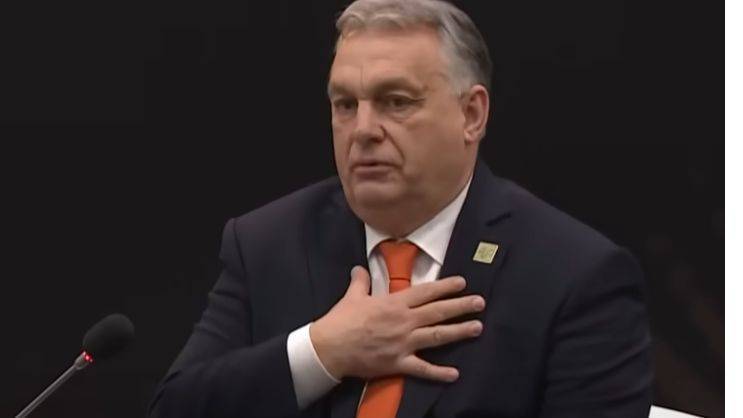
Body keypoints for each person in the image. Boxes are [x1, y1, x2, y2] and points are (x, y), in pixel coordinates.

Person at [149, 0, 653, 417]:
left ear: (472, 115)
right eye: (346, 105)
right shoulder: (267, 242)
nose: (364, 130)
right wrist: (322, 352)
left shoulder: (574, 277)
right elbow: (174, 408)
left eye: (396, 101)